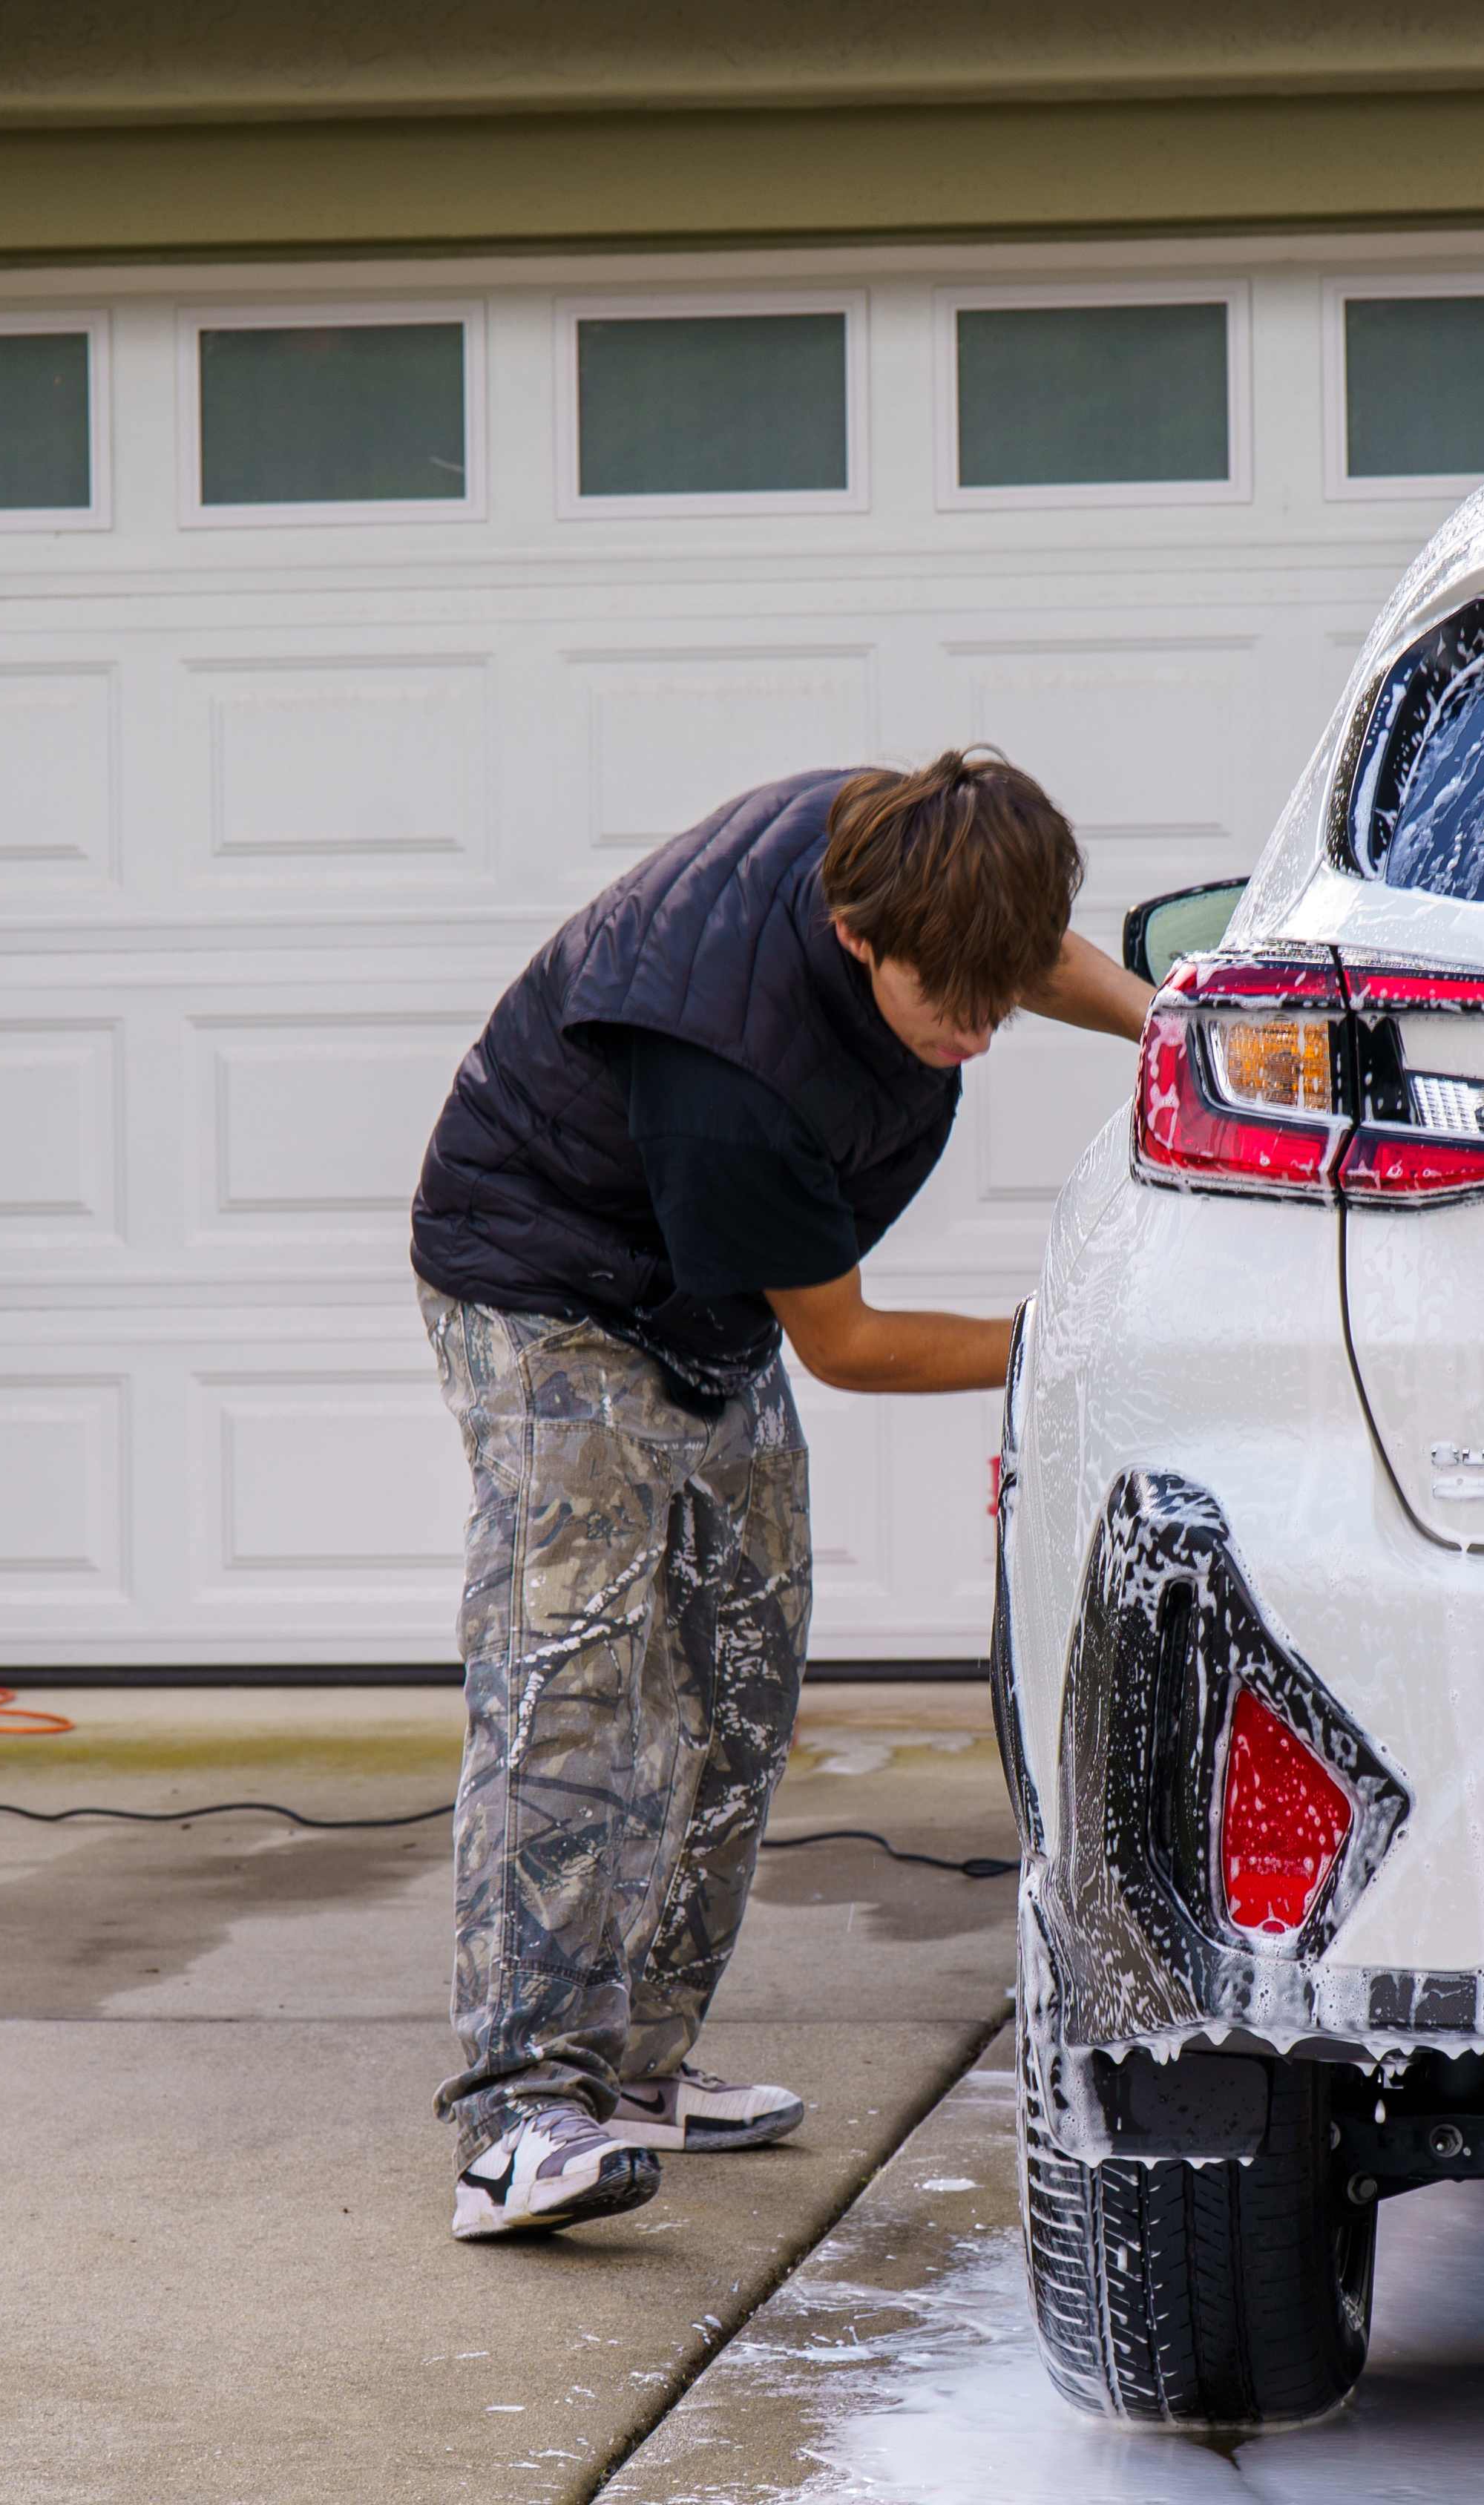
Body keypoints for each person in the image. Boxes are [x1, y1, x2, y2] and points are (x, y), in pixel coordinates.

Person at [409, 750, 1154, 2241]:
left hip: (698, 1291)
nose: (986, 1031)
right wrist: (1087, 1340)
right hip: (548, 1283)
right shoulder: (731, 1065)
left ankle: (637, 2073)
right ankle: (521, 2114)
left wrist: (1175, 1027)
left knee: (738, 1676)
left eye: (1003, 995)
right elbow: (853, 1343)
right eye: (959, 1002)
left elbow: (1018, 947)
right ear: (864, 936)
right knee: (575, 1674)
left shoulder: (907, 837)